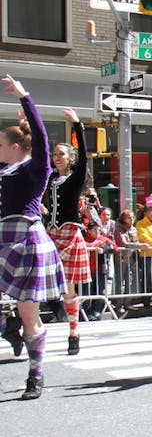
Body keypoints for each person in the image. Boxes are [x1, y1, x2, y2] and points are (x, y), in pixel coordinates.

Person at [0, 75, 65, 400]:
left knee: (30, 315)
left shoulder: (35, 170)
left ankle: (35, 375)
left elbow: (40, 137)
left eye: (0, 144)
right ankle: (7, 327)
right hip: (3, 239)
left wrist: (25, 97)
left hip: (26, 241)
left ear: (14, 147)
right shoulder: (3, 171)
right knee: (20, 316)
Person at [41, 107, 90, 355]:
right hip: (51, 233)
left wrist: (77, 125)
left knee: (69, 288)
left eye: (61, 154)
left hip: (69, 234)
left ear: (70, 158)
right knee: (39, 277)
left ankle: (74, 332)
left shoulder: (76, 177)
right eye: (55, 154)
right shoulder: (50, 178)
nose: (56, 157)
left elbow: (85, 157)